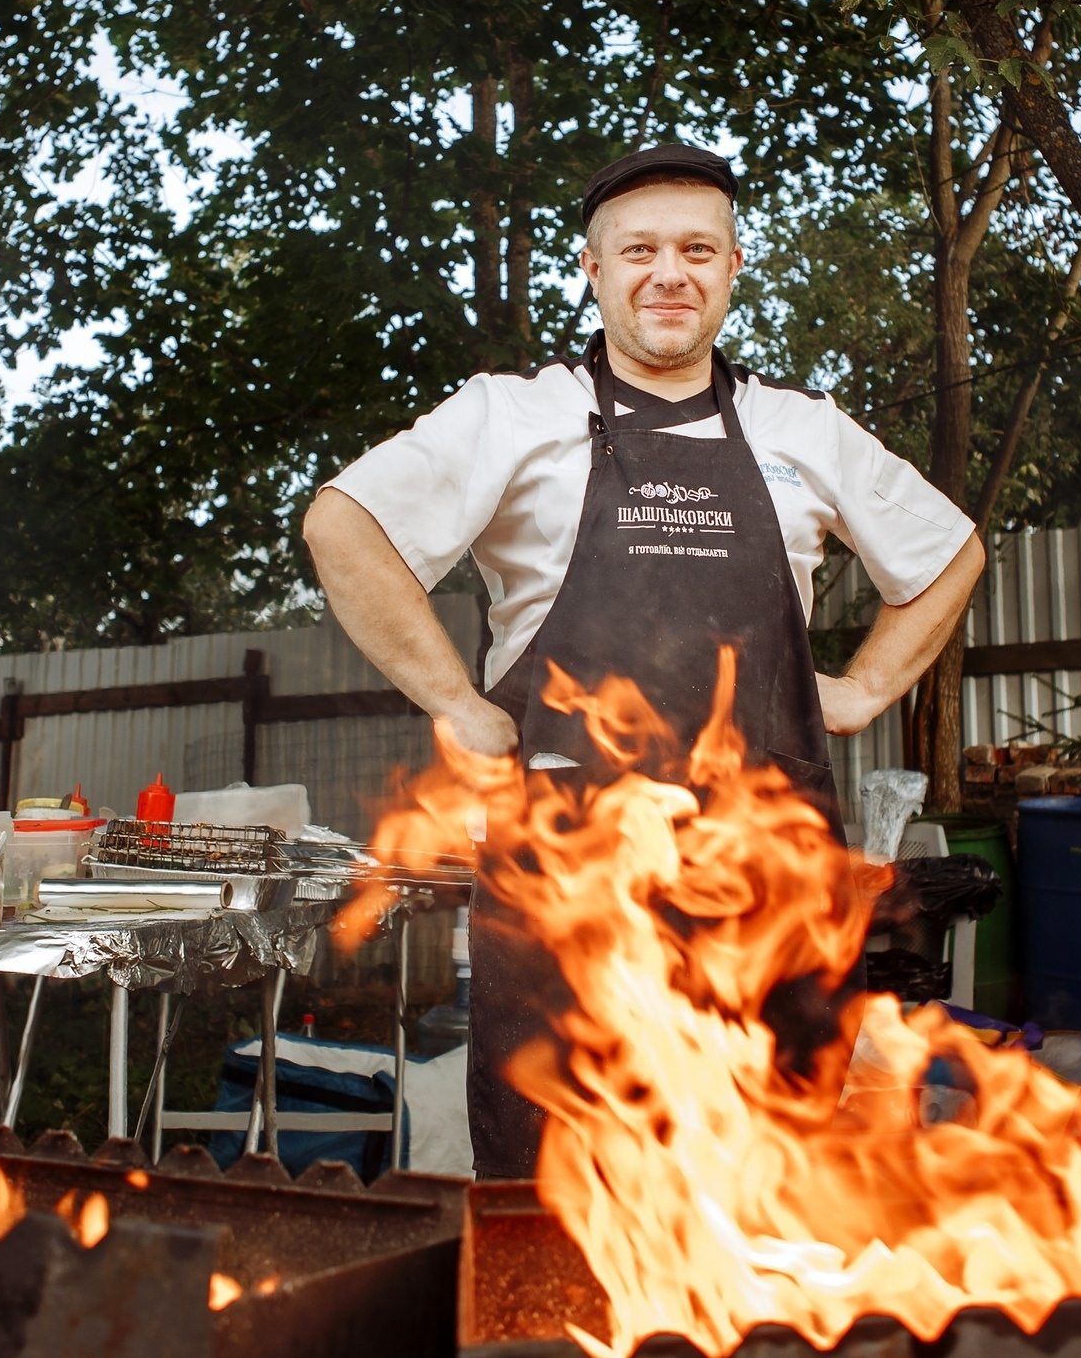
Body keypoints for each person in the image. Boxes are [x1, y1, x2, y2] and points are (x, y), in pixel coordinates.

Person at [303, 142, 984, 1175]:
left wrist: (861, 691)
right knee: (558, 1191)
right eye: (640, 250)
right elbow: (342, 526)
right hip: (568, 890)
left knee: (769, 1190)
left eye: (696, 249)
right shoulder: (513, 414)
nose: (669, 271)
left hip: (768, 887)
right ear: (593, 267)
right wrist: (456, 703)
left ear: (732, 267)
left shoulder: (800, 429)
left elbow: (949, 553)